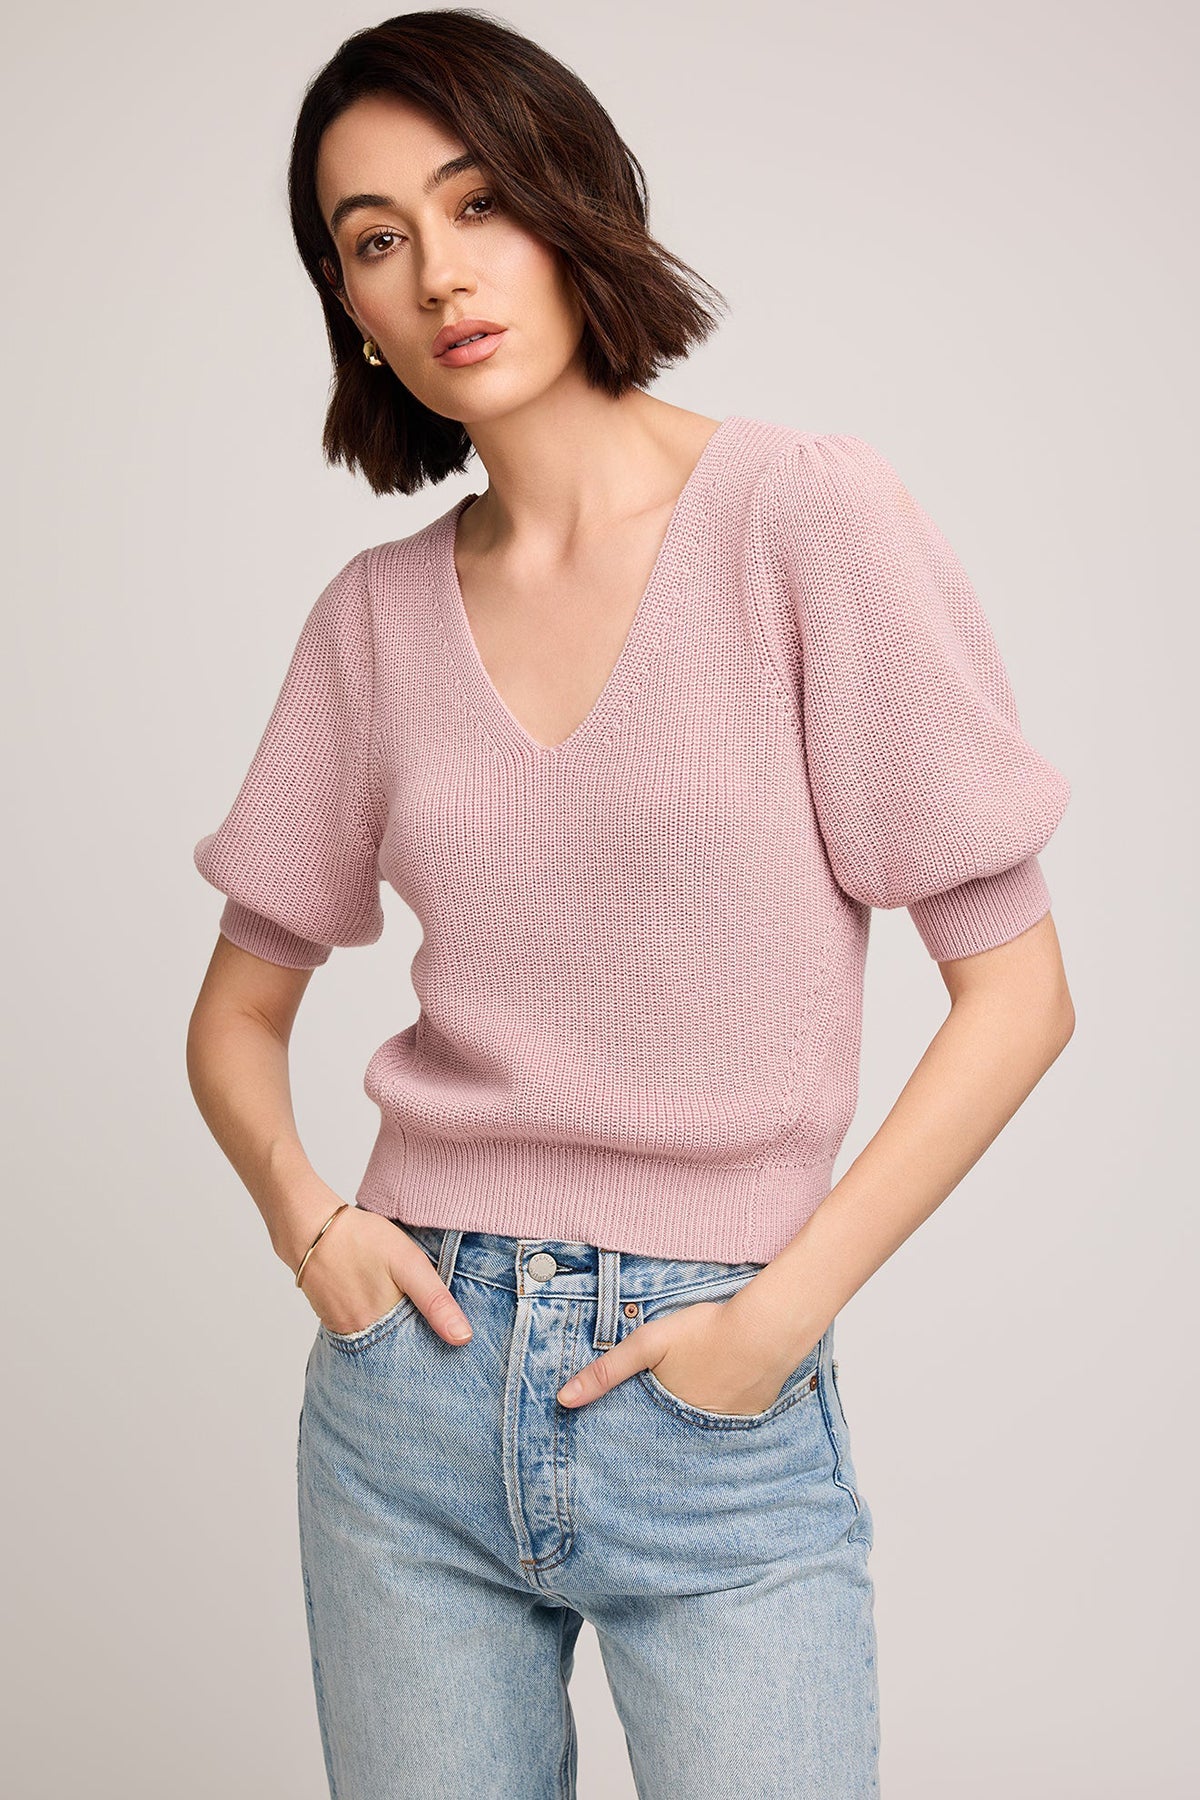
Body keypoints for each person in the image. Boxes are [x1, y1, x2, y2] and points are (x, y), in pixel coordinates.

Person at [186, 12, 1074, 1798]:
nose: (441, 274)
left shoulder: (802, 519)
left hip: (711, 1393)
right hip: (409, 1398)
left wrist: (779, 1318)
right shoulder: (373, 620)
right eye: (377, 240)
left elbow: (1021, 994)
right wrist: (312, 1225)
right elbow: (236, 1014)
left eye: (479, 203)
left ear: (572, 200)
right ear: (351, 307)